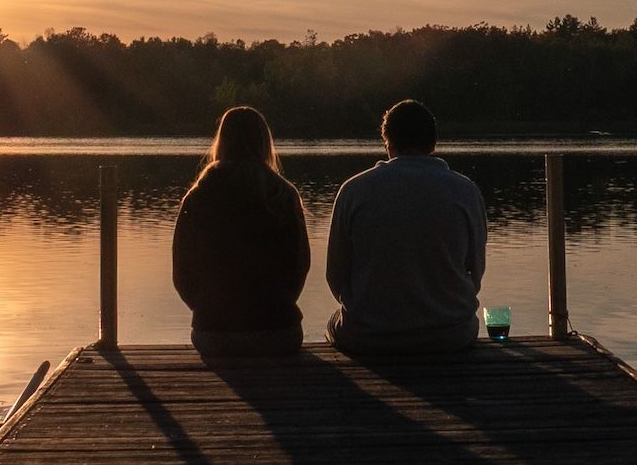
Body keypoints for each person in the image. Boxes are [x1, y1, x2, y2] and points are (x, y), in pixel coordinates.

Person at [325, 98, 487, 358]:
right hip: (449, 335)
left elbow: (335, 275)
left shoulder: (354, 190)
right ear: (433, 143)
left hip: (367, 336)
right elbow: (476, 270)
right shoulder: (465, 191)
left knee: (334, 322)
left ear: (387, 143)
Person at [172, 105, 310, 360]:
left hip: (214, 336)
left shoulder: (197, 197)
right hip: (279, 334)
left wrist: (207, 310)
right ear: (265, 143)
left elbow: (182, 274)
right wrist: (276, 306)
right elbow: (300, 267)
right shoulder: (284, 195)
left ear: (221, 142)